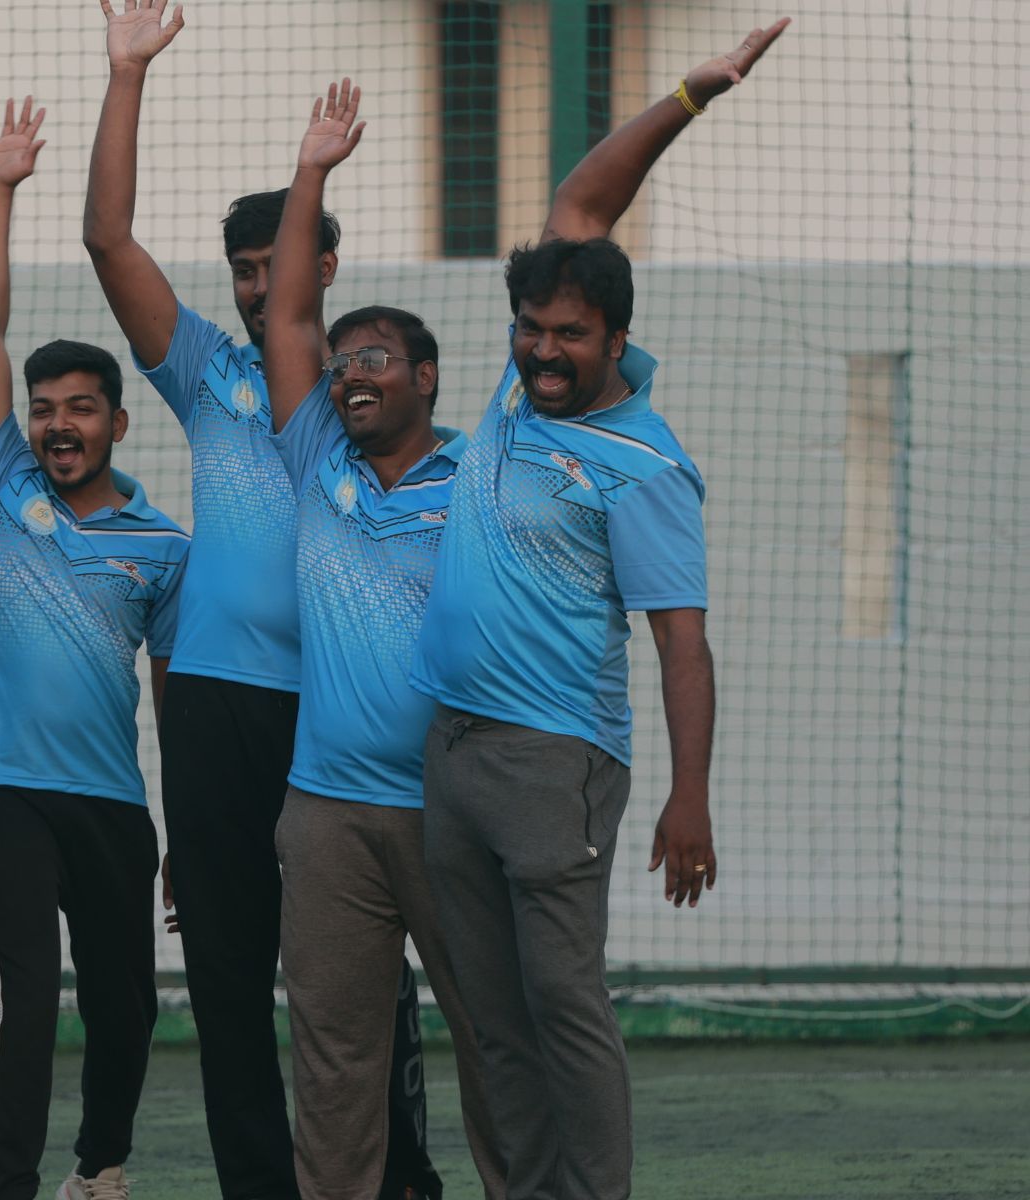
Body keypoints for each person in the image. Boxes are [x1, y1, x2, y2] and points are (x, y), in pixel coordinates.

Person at [411, 21, 789, 1199]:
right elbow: (580, 206)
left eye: (569, 336)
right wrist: (689, 91)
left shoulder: (647, 465)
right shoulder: (518, 388)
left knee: (563, 1004)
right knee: (485, 1015)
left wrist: (690, 795)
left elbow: (683, 643)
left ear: (618, 340)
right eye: (530, 330)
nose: (543, 351)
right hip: (450, 749)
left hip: (556, 763)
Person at [82, 6, 438, 1197]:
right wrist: (126, 75)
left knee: (361, 963)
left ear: (321, 267)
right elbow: (106, 239)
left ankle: (399, 1176)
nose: (253, 285)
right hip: (214, 705)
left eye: (271, 264)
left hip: (337, 710)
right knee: (227, 969)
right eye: (239, 268)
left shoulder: (364, 393)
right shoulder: (206, 374)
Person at [257, 80, 504, 1200]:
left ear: (426, 377)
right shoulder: (318, 465)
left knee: (494, 1037)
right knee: (334, 1054)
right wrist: (311, 171)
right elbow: (288, 323)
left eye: (375, 360)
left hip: (456, 804)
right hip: (327, 816)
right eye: (343, 362)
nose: (351, 373)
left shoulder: (482, 474)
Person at [0, 96, 189, 1200]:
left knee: (127, 1005)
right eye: (43, 408)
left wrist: (187, 834)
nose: (56, 424)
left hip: (112, 806)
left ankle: (101, 1171)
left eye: (80, 409)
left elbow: (176, 706)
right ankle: (10, 1185)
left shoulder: (165, 547)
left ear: (116, 424)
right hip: (4, 792)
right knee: (28, 996)